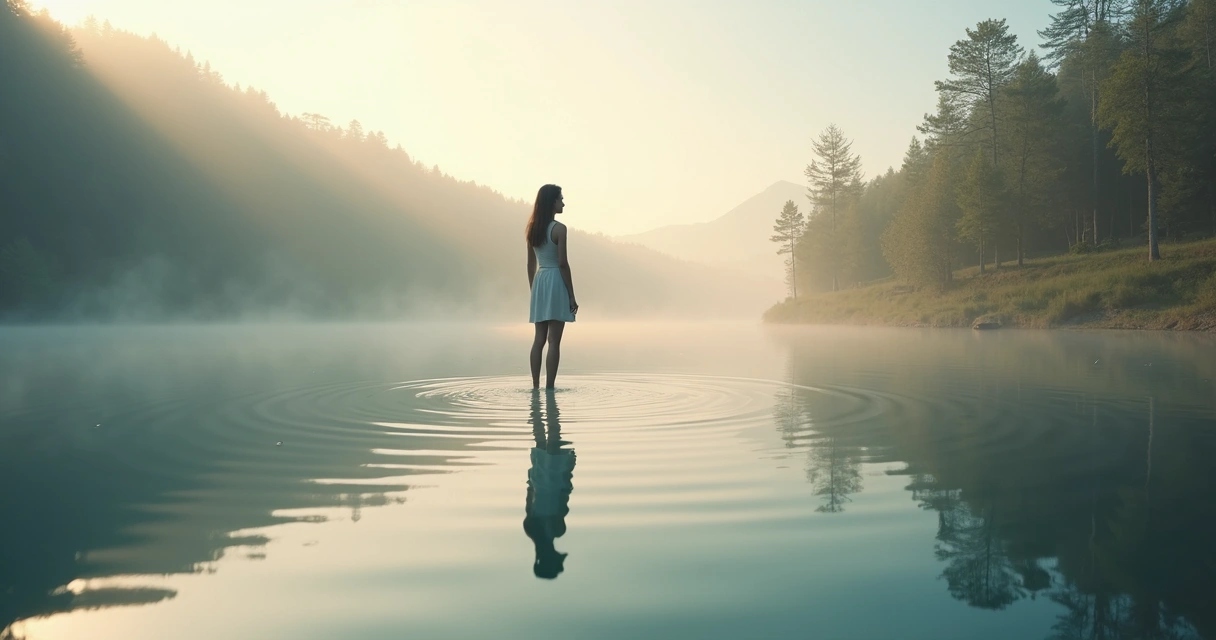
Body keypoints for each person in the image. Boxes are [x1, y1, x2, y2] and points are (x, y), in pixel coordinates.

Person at [525, 184, 578, 390]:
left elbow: (530, 264)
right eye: (560, 199)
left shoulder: (532, 229)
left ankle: (535, 385)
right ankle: (550, 388)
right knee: (554, 340)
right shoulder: (559, 229)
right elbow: (563, 264)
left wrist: (534, 290)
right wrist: (571, 296)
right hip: (555, 280)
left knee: (539, 340)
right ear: (552, 202)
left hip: (540, 280)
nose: (563, 202)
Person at [523, 389, 575, 579]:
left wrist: (569, 469)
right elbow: (529, 496)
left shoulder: (557, 529)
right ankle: (541, 406)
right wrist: (531, 476)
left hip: (554, 480)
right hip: (539, 480)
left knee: (554, 433)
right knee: (540, 438)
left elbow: (563, 496)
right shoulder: (530, 529)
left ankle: (543, 404)